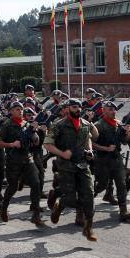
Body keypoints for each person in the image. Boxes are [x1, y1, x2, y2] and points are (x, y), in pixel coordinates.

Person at [44, 99, 98, 242]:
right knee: (70, 198)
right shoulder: (59, 125)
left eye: (79, 107)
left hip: (82, 164)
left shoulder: (85, 124)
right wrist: (62, 154)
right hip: (66, 166)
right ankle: (59, 207)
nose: (78, 109)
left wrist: (90, 151)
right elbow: (48, 144)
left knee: (89, 195)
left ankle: (88, 228)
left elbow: (89, 139)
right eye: (74, 107)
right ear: (68, 109)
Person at [0, 102, 47, 227]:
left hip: (28, 159)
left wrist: (35, 132)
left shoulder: (26, 124)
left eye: (21, 109)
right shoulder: (7, 125)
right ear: (11, 111)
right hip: (13, 160)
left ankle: (36, 214)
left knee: (36, 183)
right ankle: (4, 206)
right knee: (12, 187)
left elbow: (36, 142)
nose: (20, 111)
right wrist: (12, 144)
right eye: (17, 109)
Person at [92, 101, 130, 222]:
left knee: (121, 184)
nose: (113, 111)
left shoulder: (119, 124)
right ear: (104, 111)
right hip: (103, 159)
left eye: (114, 110)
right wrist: (105, 148)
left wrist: (126, 132)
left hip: (116, 158)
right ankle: (88, 196)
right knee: (102, 184)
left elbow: (124, 141)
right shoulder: (98, 125)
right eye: (110, 109)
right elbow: (91, 143)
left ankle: (123, 210)